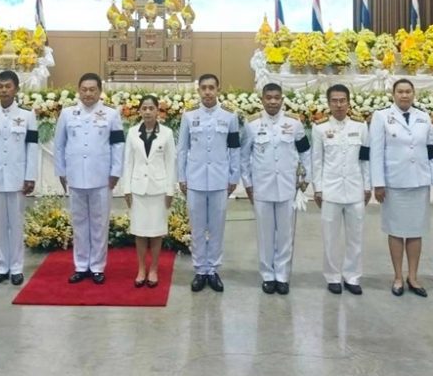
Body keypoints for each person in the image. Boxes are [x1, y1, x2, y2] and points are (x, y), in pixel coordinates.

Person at [370, 78, 433, 297]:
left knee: (415, 231)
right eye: (400, 91)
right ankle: (398, 277)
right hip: (394, 183)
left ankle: (413, 276)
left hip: (419, 182)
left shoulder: (423, 117)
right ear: (393, 94)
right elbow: (376, 152)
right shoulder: (382, 116)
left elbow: (432, 151)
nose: (404, 95)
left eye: (408, 91)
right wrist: (378, 183)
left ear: (413, 94)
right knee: (395, 230)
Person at [54, 73, 125, 284]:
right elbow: (59, 145)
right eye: (84, 89)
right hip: (75, 176)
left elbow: (118, 145)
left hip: (101, 177)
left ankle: (97, 267)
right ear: (78, 90)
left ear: (100, 91)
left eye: (92, 89)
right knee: (79, 223)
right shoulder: (67, 114)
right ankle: (81, 265)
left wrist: (115, 172)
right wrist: (61, 172)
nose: (88, 93)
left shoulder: (111, 114)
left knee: (99, 223)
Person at [241, 83, 310, 295]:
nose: (272, 101)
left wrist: (305, 179)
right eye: (268, 97)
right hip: (261, 187)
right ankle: (267, 275)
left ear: (282, 99)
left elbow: (305, 152)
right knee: (265, 234)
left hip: (287, 186)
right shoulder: (251, 124)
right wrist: (248, 184)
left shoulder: (294, 123)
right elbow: (244, 157)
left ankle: (282, 275)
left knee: (285, 234)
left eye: (276, 97)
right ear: (262, 99)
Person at [176, 73, 241, 293]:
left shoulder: (229, 116)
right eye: (203, 88)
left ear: (218, 89)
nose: (207, 92)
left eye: (211, 87)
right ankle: (199, 270)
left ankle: (212, 269)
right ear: (198, 91)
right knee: (197, 227)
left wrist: (234, 177)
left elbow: (234, 149)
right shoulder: (189, 116)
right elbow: (182, 149)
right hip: (194, 180)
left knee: (216, 227)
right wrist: (182, 177)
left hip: (219, 180)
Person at [0, 70, 39, 287]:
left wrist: (30, 176)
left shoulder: (27, 115)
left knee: (16, 224)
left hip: (17, 178)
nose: (4, 90)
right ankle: (1, 266)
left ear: (16, 89)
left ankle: (17, 267)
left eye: (8, 86)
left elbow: (32, 148)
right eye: (0, 86)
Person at [311, 84, 371, 296]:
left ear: (348, 102)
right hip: (331, 190)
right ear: (328, 103)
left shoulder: (361, 127)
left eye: (342, 100)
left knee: (356, 237)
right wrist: (318, 188)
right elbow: (316, 161)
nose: (339, 105)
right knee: (330, 237)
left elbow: (365, 159)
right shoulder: (319, 129)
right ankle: (333, 276)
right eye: (334, 101)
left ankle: (352, 276)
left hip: (355, 189)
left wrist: (367, 186)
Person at [121, 94, 176, 288]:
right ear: (139, 111)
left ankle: (153, 269)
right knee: (140, 232)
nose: (147, 112)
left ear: (157, 110)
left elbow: (171, 163)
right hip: (138, 189)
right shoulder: (132, 133)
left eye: (151, 108)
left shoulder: (167, 133)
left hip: (158, 190)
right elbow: (128, 162)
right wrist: (126, 188)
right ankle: (141, 268)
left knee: (156, 232)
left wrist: (170, 191)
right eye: (144, 108)